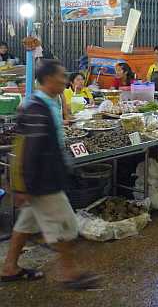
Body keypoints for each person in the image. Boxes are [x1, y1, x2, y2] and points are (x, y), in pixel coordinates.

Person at [1, 60, 98, 289]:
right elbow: (28, 149)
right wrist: (23, 187)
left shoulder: (49, 102)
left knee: (26, 223)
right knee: (65, 225)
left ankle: (9, 267)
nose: (65, 81)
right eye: (61, 77)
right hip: (43, 180)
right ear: (48, 79)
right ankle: (68, 272)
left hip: (41, 178)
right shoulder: (36, 107)